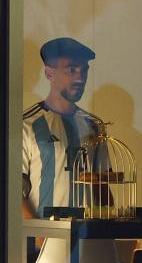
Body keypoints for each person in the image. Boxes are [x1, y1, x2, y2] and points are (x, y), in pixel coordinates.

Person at [22, 37, 103, 219]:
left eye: (84, 70)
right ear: (49, 74)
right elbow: (14, 195)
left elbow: (103, 188)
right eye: (71, 70)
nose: (80, 77)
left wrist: (109, 234)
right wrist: (39, 239)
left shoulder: (94, 126)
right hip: (43, 241)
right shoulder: (26, 125)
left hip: (88, 238)